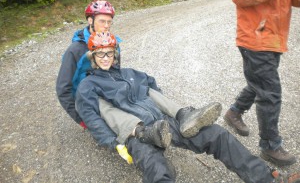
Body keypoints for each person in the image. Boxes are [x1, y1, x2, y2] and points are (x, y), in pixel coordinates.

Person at [75, 32, 300, 183]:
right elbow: (91, 117)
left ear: (116, 54)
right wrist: (114, 143)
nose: (106, 58)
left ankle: (266, 178)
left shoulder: (130, 73)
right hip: (137, 134)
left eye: (110, 53)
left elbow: (152, 83)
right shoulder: (88, 85)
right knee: (158, 170)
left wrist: (164, 108)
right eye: (100, 54)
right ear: (93, 57)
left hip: (163, 123)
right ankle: (154, 132)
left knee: (217, 135)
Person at [56, 0, 221, 150]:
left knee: (141, 87)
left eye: (109, 22)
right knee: (107, 113)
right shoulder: (75, 51)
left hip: (108, 91)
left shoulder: (113, 43)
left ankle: (177, 117)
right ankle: (142, 135)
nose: (106, 26)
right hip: (89, 98)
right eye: (102, 21)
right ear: (90, 20)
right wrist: (82, 119)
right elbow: (63, 89)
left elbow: (116, 75)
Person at [223, 0, 300, 167]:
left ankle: (234, 112)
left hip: (274, 38)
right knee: (270, 93)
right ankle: (270, 145)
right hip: (255, 38)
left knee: (259, 82)